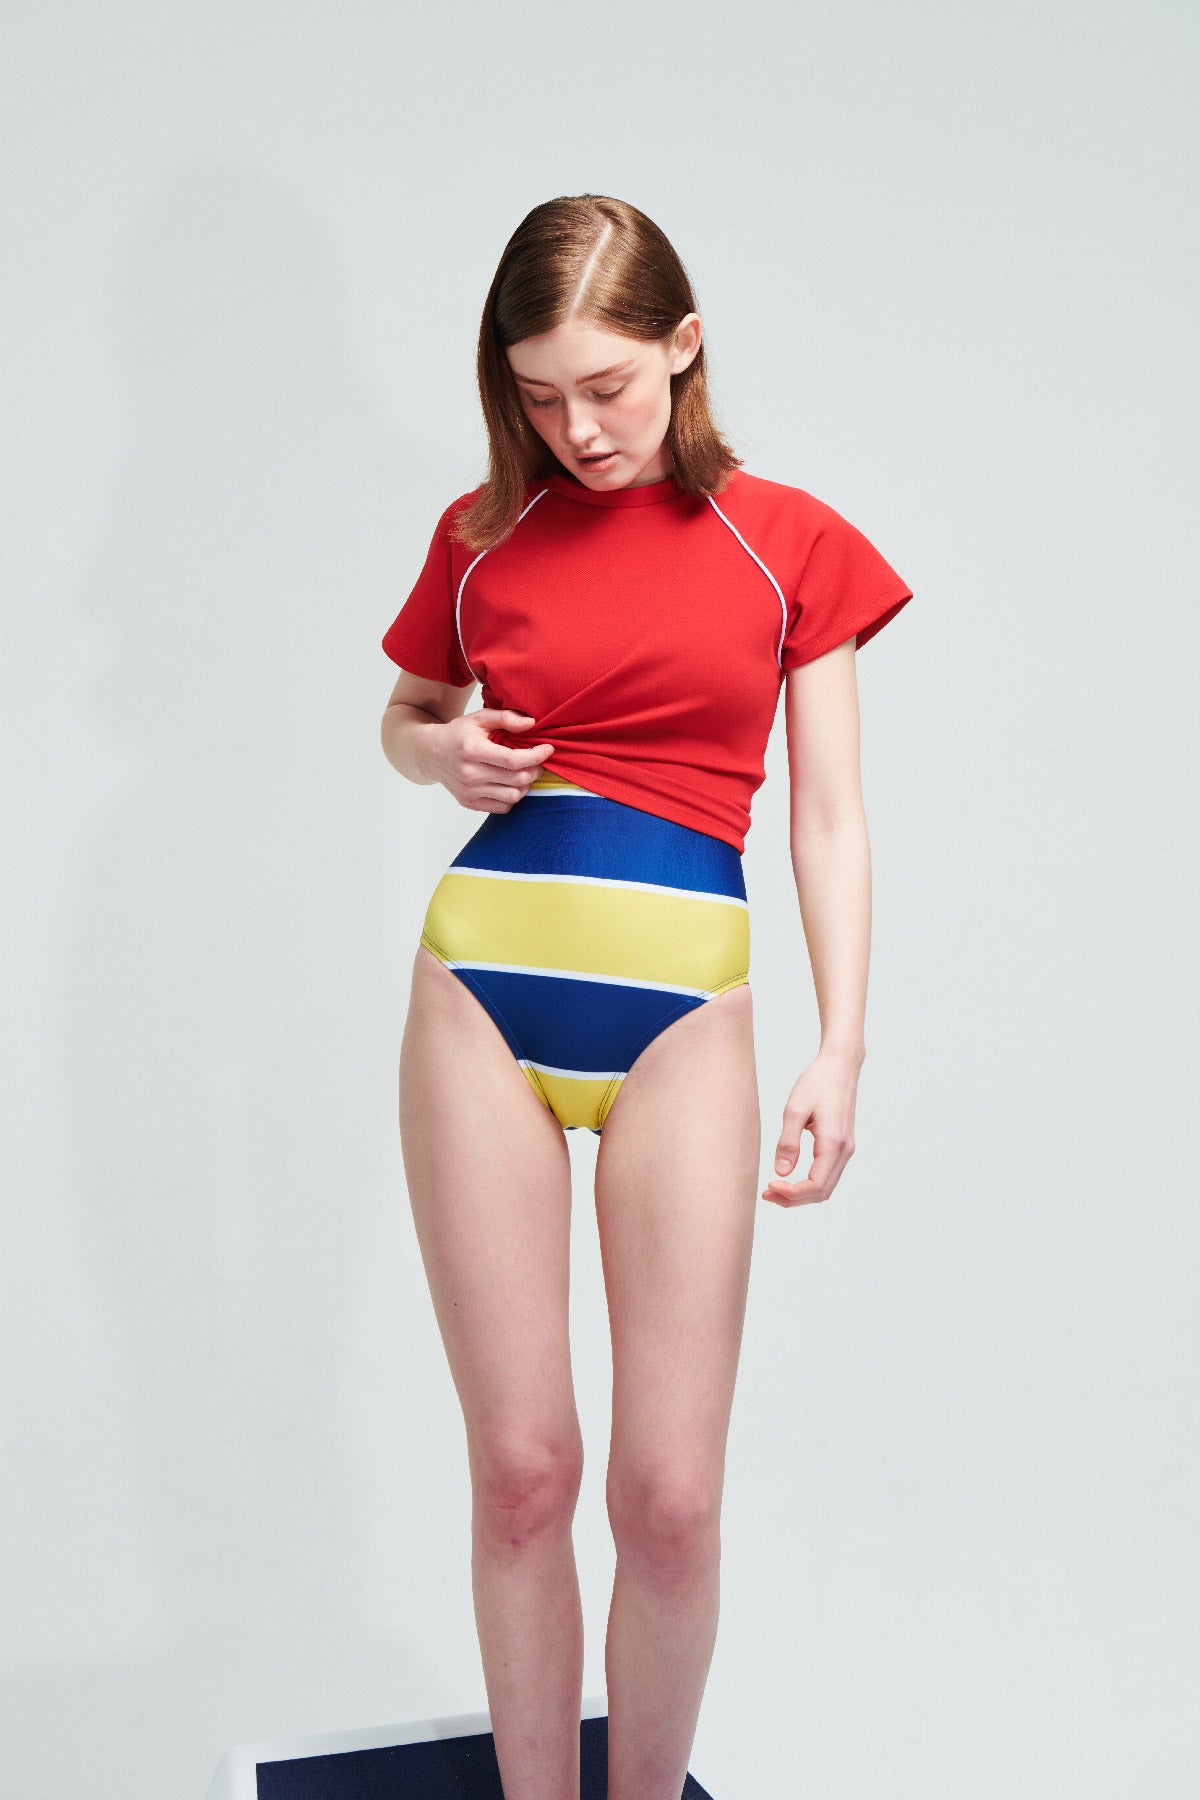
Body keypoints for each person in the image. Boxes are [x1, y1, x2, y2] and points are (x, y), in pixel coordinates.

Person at [378, 193, 913, 1800]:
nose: (579, 428)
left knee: (669, 1499)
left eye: (606, 386)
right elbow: (407, 714)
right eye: (540, 395)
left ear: (685, 346)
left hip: (685, 1017)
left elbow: (829, 817)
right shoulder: (483, 532)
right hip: (480, 994)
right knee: (522, 1472)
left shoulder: (788, 540)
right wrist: (444, 754)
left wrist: (842, 1047)